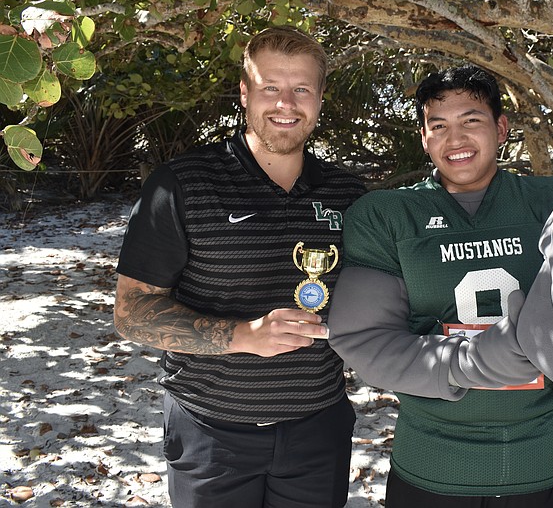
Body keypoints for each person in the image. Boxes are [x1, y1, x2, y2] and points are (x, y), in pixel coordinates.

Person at [113, 27, 366, 508]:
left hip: (319, 429)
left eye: (301, 89)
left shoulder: (350, 195)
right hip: (211, 435)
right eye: (270, 87)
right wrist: (243, 335)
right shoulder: (181, 184)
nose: (285, 103)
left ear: (320, 98)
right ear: (245, 92)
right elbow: (132, 313)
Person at [327, 65, 553, 507]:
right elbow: (366, 340)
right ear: (424, 139)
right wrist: (472, 362)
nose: (455, 140)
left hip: (539, 458)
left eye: (471, 121)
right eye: (438, 126)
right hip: (432, 461)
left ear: (501, 129)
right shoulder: (388, 216)